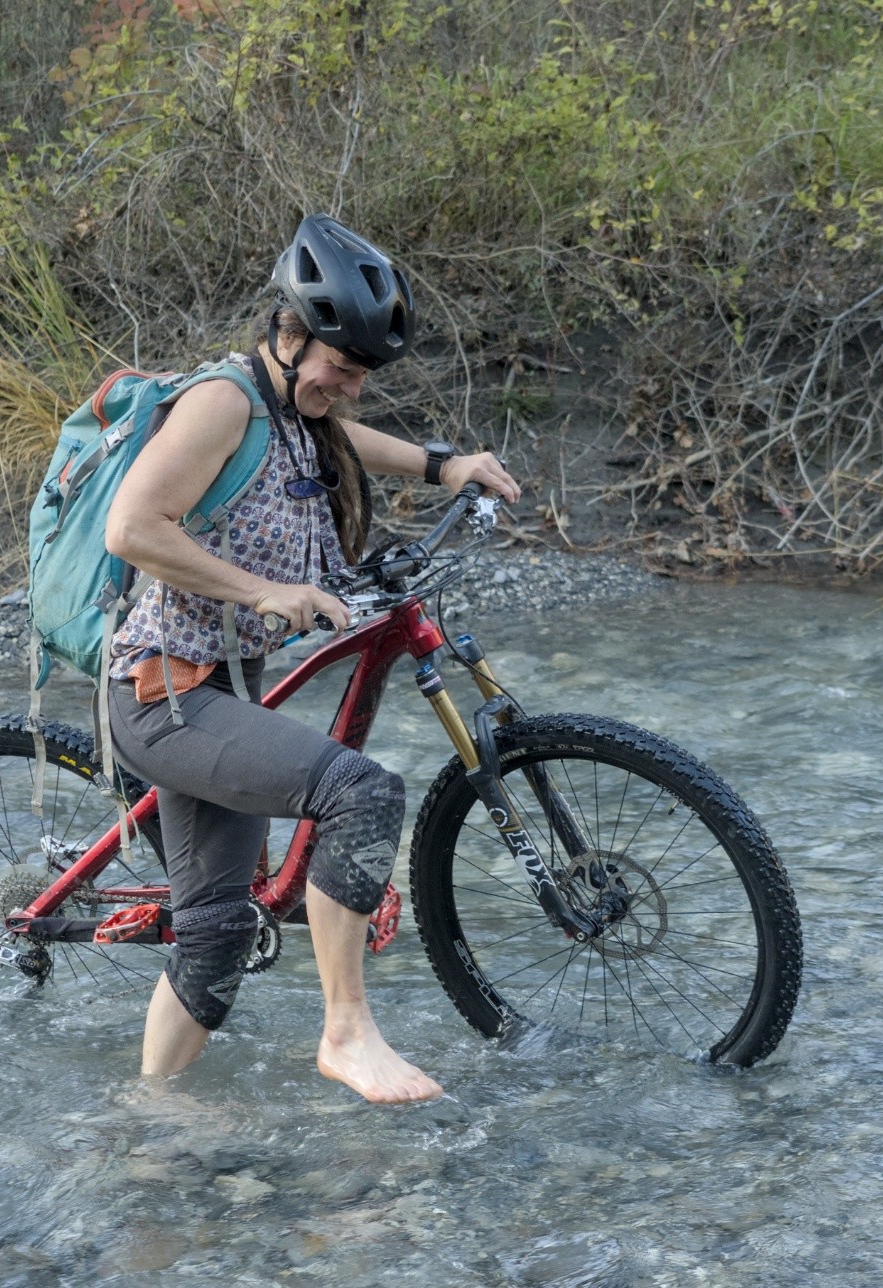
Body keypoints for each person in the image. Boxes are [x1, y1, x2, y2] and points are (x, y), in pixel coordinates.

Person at [102, 214, 520, 1103]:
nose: (351, 388)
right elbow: (132, 527)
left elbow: (344, 439)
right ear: (288, 335)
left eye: (364, 375)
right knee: (360, 792)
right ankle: (347, 1031)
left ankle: (148, 1124)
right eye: (340, 367)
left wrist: (445, 465)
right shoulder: (224, 401)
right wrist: (260, 593)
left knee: (214, 939)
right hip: (161, 693)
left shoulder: (300, 406)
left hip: (220, 686)